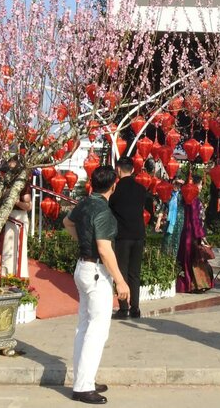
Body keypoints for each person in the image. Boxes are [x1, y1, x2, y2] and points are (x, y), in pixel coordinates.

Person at [62, 165, 129, 405]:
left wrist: (84, 240)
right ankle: (83, 387)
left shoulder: (85, 203)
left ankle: (85, 378)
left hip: (83, 268)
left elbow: (66, 223)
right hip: (97, 273)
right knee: (96, 330)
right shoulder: (104, 212)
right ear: (114, 185)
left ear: (92, 183)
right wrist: (121, 281)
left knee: (84, 326)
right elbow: (104, 248)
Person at [109, 156, 149, 319]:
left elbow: (110, 211)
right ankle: (136, 308)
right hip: (139, 235)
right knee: (135, 272)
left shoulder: (115, 191)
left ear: (118, 170)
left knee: (122, 271)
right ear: (132, 170)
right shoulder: (141, 190)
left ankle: (123, 307)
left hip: (123, 236)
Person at [176, 175, 214, 293]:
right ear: (196, 185)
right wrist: (201, 235)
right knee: (195, 259)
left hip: (186, 233)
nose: (202, 186)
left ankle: (187, 284)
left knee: (187, 259)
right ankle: (194, 285)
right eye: (201, 184)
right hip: (192, 235)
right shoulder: (194, 200)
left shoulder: (186, 198)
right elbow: (195, 219)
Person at [160, 176, 185, 258]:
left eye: (178, 184)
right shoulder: (168, 194)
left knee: (176, 240)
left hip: (179, 220)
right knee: (167, 239)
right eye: (174, 183)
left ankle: (174, 260)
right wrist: (158, 221)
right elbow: (163, 207)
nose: (176, 186)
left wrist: (184, 184)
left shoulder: (183, 194)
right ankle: (164, 259)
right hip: (169, 221)